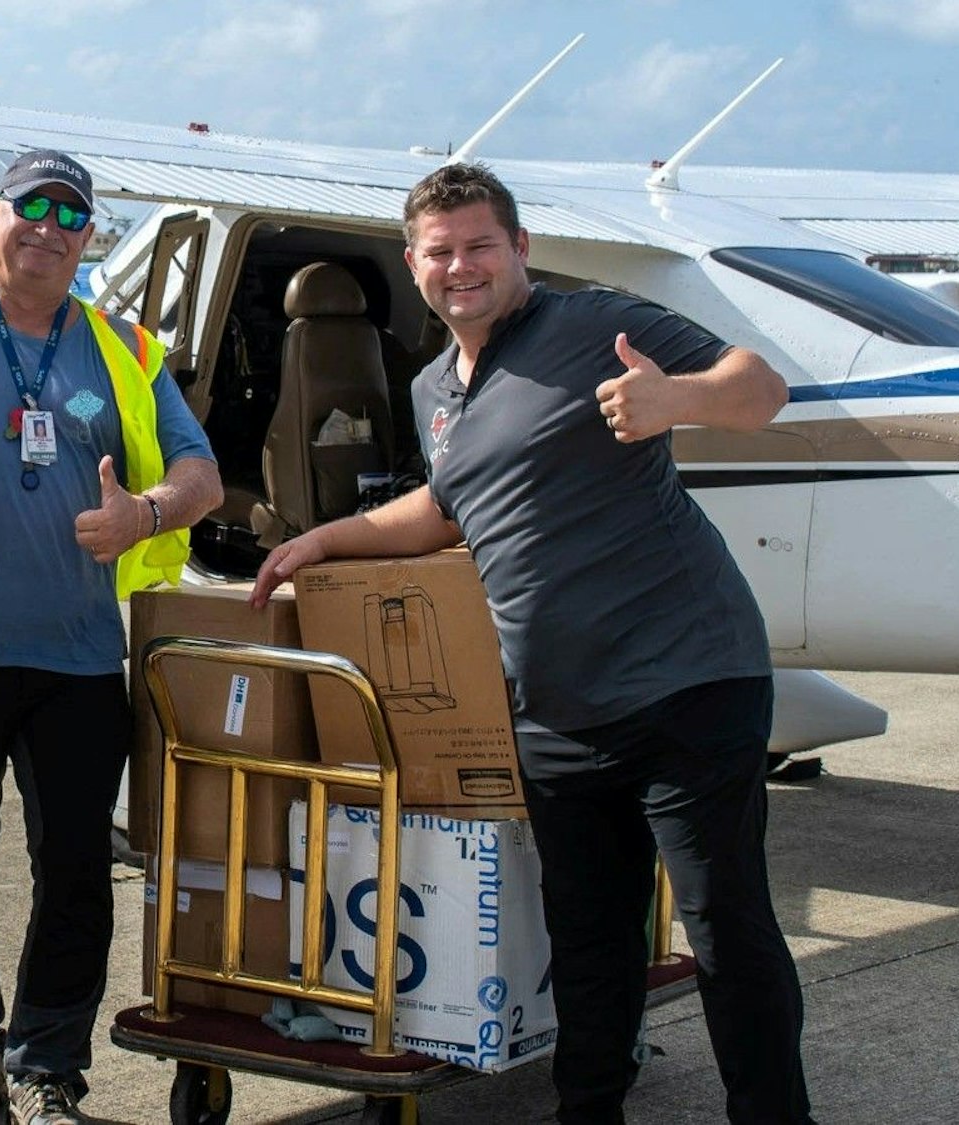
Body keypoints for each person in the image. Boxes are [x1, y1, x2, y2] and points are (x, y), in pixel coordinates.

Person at [250, 162, 809, 1124]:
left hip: (688, 683)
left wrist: (676, 401)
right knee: (588, 944)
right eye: (439, 252)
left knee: (726, 927)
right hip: (556, 715)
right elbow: (445, 509)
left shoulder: (593, 324)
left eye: (479, 245)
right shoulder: (434, 384)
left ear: (520, 250)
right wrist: (324, 539)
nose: (459, 266)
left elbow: (760, 388)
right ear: (416, 265)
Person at [0, 150, 223, 1125]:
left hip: (77, 661)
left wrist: (144, 515)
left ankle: (45, 1073)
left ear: (87, 238)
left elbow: (199, 474)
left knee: (74, 868)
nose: (46, 226)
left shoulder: (120, 344)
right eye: (27, 206)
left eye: (68, 215)